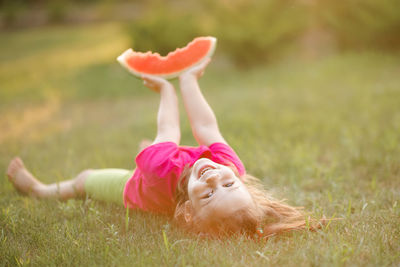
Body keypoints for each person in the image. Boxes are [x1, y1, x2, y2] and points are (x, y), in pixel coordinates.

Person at [6, 59, 320, 238]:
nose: (214, 178)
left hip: (142, 184)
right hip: (168, 166)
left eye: (209, 194)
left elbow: (169, 128)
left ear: (188, 211)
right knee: (162, 153)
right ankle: (154, 151)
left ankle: (40, 190)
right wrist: (188, 79)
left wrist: (166, 89)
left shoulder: (159, 172)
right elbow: (206, 128)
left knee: (85, 178)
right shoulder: (228, 164)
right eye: (228, 183)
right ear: (238, 178)